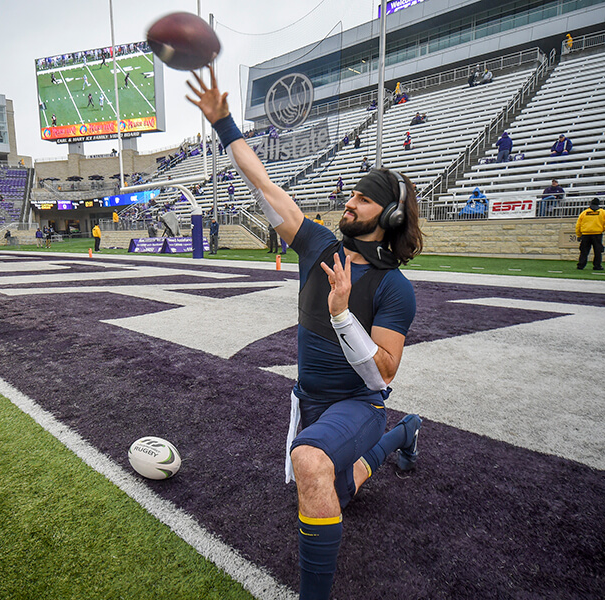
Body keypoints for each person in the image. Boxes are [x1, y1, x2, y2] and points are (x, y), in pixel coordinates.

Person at [188, 66, 424, 600]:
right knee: (333, 489)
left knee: (311, 461)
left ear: (385, 215)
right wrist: (225, 125)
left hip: (358, 404)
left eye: (361, 200)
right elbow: (265, 186)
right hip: (311, 402)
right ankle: (402, 437)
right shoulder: (320, 245)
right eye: (351, 196)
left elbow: (383, 373)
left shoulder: (395, 289)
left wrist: (342, 315)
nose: (349, 203)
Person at [576, 198, 605, 271]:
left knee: (584, 251)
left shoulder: (584, 213)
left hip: (586, 234)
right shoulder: (603, 213)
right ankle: (597, 266)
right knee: (598, 251)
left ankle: (581, 265)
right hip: (597, 234)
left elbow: (578, 225)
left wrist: (579, 235)